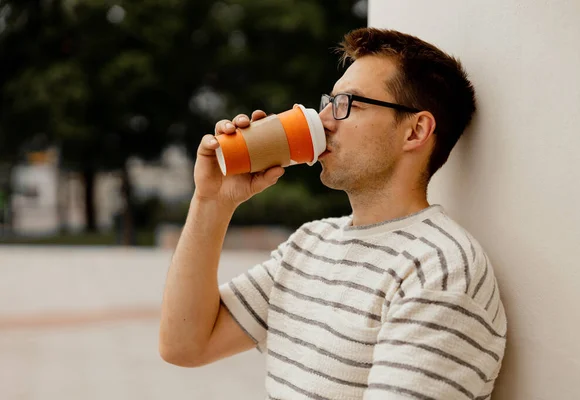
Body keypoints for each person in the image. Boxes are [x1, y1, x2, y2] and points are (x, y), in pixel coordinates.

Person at [159, 27, 507, 399]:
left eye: (348, 104)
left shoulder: (440, 270)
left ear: (415, 131)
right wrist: (212, 202)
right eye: (329, 101)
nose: (323, 119)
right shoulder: (311, 243)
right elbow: (185, 345)